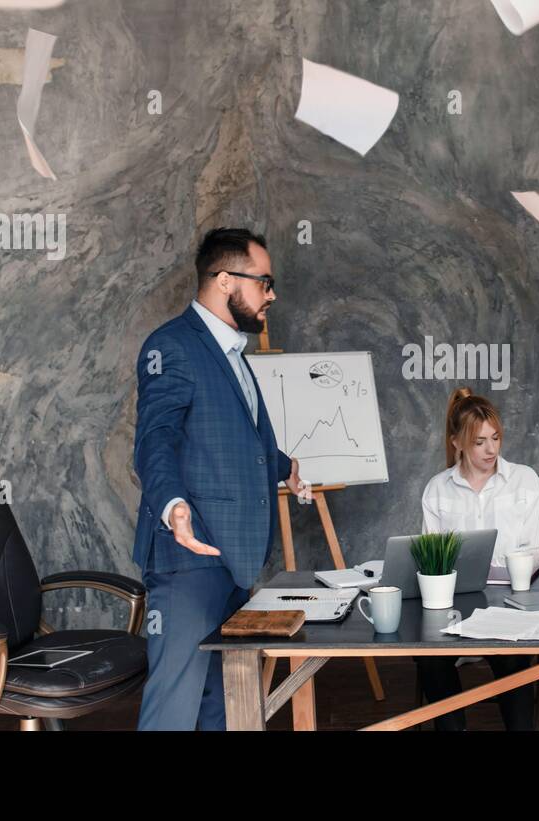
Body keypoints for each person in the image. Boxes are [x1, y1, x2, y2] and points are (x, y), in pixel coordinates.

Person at [132, 227, 310, 730]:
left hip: (233, 561)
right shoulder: (172, 347)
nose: (272, 294)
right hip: (188, 560)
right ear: (226, 280)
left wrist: (285, 467)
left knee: (220, 705)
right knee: (174, 706)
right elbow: (154, 438)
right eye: (264, 282)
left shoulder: (232, 354)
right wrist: (172, 504)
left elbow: (235, 444)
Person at [414, 387, 539, 730]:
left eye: (496, 438)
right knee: (429, 657)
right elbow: (431, 558)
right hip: (454, 602)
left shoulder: (524, 480)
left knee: (512, 663)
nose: (492, 450)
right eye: (479, 442)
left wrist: (517, 574)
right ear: (456, 442)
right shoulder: (437, 488)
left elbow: (538, 549)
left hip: (512, 601)